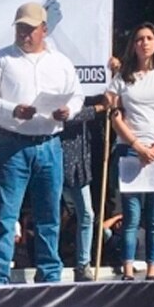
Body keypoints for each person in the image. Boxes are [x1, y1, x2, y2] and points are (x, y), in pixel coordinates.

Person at [0, 2, 84, 284]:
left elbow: (77, 95)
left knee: (49, 214)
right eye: (20, 28)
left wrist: (68, 111)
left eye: (30, 28)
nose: (24, 33)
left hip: (50, 144)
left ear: (44, 29)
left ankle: (49, 273)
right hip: (13, 144)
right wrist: (12, 109)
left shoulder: (60, 62)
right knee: (5, 214)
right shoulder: (2, 59)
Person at [106, 22, 154, 280]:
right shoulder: (122, 78)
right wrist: (137, 145)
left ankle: (151, 269)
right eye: (139, 39)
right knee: (131, 213)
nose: (144, 43)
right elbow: (114, 115)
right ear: (133, 44)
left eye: (149, 38)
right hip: (130, 150)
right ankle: (127, 267)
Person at [60, 97, 106, 281]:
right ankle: (47, 262)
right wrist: (99, 107)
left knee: (87, 214)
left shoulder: (85, 96)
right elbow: (67, 116)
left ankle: (83, 264)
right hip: (59, 159)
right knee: (52, 216)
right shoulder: (58, 90)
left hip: (80, 165)